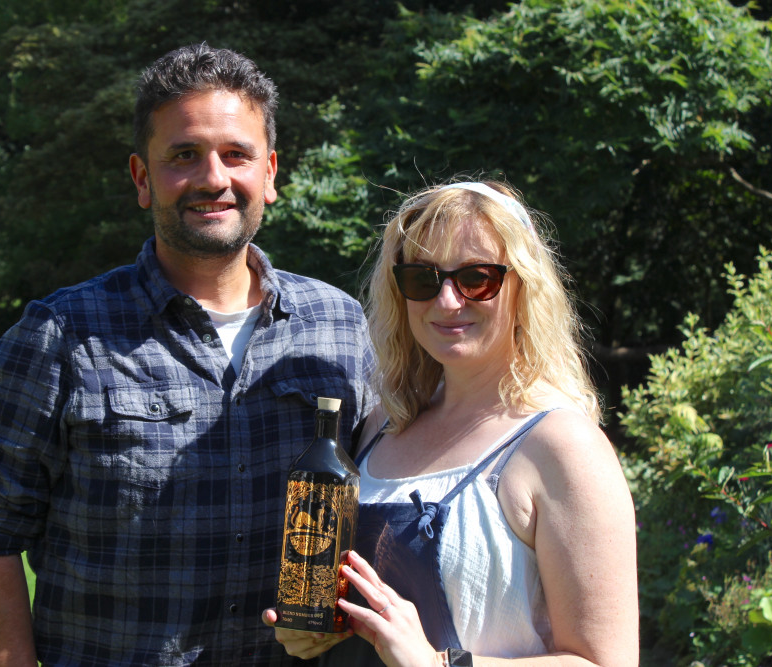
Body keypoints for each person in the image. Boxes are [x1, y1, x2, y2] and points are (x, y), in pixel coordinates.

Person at [0, 43, 375, 667]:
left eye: (237, 155)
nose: (213, 178)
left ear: (272, 174)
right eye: (184, 155)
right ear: (143, 179)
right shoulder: (61, 336)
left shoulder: (339, 326)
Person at [263, 180, 639, 666]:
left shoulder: (562, 446)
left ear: (524, 284)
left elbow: (607, 661)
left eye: (476, 278)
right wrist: (315, 629)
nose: (446, 302)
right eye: (422, 278)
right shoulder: (384, 423)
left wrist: (439, 664)